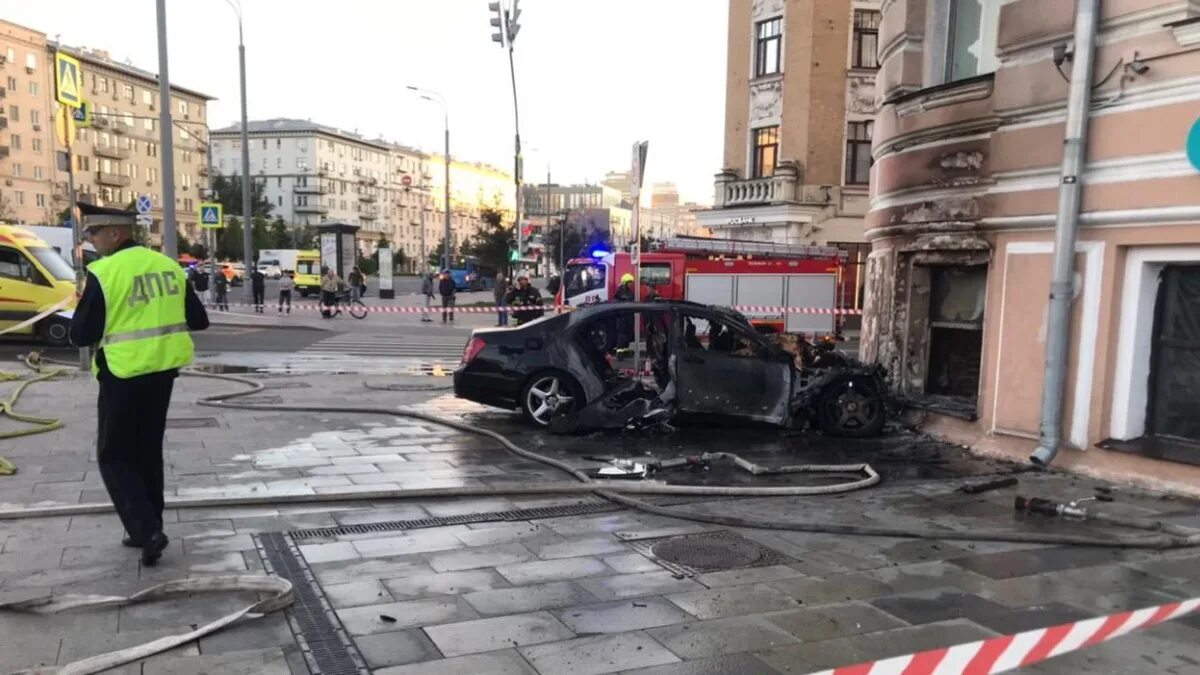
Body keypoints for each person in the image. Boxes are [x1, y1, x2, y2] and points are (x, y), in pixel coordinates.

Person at [68, 203, 209, 567]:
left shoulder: (105, 272)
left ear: (115, 233)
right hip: (163, 372)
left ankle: (146, 530)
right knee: (147, 451)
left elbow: (81, 333)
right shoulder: (169, 266)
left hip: (123, 373)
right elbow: (198, 319)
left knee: (113, 454)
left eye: (94, 234)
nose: (91, 242)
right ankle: (148, 526)